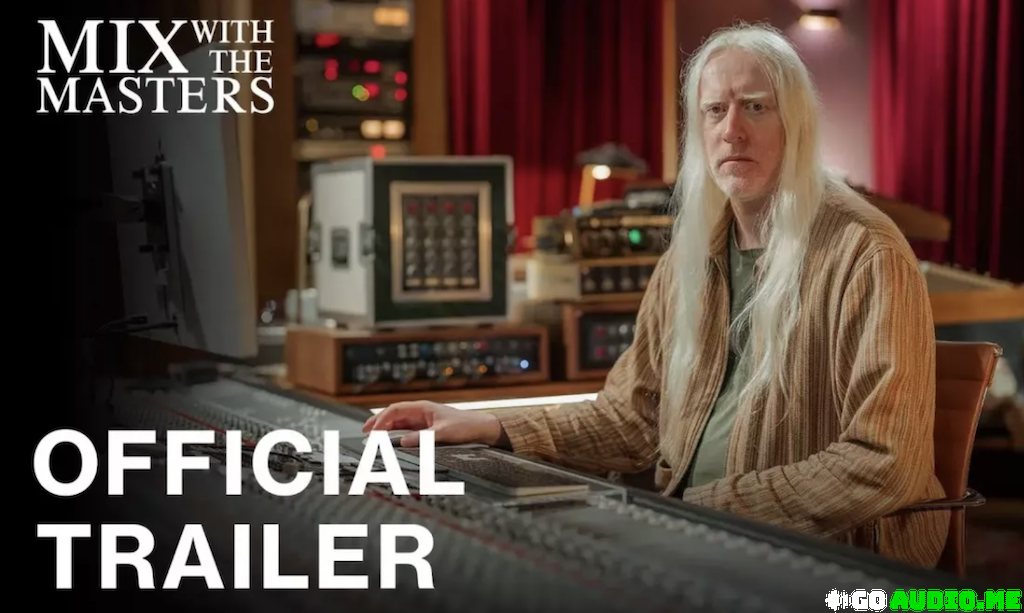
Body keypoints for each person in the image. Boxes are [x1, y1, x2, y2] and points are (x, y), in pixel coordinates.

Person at [363, 23, 949, 568]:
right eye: (715, 110)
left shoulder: (866, 252)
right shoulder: (688, 257)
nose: (732, 130)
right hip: (697, 537)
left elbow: (885, 462)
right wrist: (488, 424)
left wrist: (702, 511)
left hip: (824, 560)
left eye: (755, 107)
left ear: (796, 123)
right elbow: (631, 417)